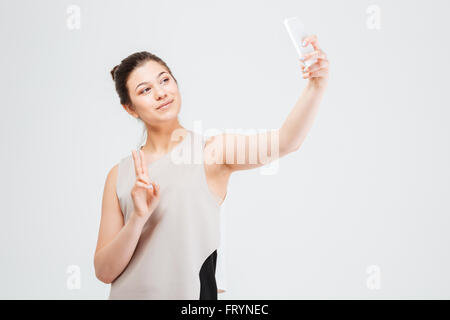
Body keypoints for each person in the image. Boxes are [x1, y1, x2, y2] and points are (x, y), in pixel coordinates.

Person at [93, 35, 329, 299]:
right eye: (145, 90)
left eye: (164, 80)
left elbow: (286, 141)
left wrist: (316, 85)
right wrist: (137, 218)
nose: (160, 92)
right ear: (130, 109)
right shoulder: (119, 175)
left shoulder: (212, 152)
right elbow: (104, 271)